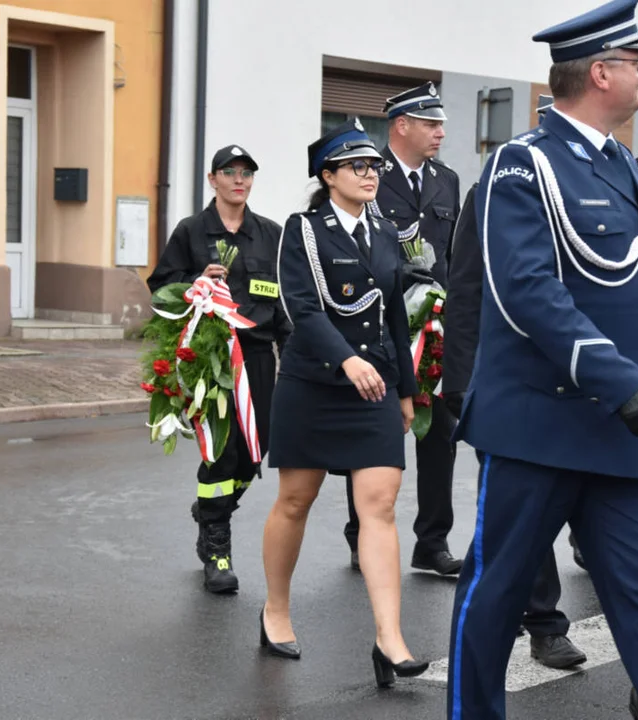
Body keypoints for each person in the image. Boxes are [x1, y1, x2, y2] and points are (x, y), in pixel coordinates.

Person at [446, 1, 638, 717]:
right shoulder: (521, 164)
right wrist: (620, 380)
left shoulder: (623, 166)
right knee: (498, 594)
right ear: (601, 72)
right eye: (636, 63)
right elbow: (524, 291)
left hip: (623, 434)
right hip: (542, 426)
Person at [260, 119, 428, 686]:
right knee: (295, 499)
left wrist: (406, 390)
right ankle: (276, 611)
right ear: (327, 175)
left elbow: (397, 317)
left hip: (376, 385)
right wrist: (345, 360)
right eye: (356, 166)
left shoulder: (384, 230)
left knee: (379, 504)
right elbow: (302, 308)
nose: (370, 174)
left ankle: (390, 637)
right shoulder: (302, 230)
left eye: (374, 165)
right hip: (314, 383)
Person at [441, 92, 587, 671]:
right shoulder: (500, 185)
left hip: (589, 380)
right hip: (516, 383)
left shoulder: (611, 179)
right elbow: (468, 286)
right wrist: (461, 380)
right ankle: (543, 622)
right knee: (519, 517)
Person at [147, 144, 289, 594]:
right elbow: (161, 289)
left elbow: (285, 300)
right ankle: (217, 547)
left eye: (246, 172)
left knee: (255, 451)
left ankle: (212, 507)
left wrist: (296, 354)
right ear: (213, 180)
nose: (238, 179)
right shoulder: (192, 231)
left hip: (259, 356)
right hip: (213, 358)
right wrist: (195, 284)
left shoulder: (270, 233)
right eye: (229, 172)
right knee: (222, 452)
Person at [342, 81, 464, 577]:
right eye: (431, 123)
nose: (439, 133)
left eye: (440, 124)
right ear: (401, 126)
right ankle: (360, 535)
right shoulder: (368, 174)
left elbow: (454, 256)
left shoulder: (448, 180)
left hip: (433, 327)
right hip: (381, 324)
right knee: (376, 431)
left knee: (441, 439)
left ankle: (431, 541)